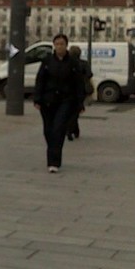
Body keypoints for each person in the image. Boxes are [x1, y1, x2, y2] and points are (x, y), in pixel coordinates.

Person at [33, 34, 86, 173]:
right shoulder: (47, 61)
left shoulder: (73, 63)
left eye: (62, 44)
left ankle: (54, 162)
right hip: (48, 101)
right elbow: (40, 80)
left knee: (58, 128)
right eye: (57, 44)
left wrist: (80, 103)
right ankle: (53, 151)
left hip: (66, 100)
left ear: (66, 45)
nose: (59, 47)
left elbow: (79, 84)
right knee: (48, 130)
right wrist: (37, 98)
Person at [67, 45, 93, 140]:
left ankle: (72, 129)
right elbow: (89, 74)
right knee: (76, 110)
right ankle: (73, 129)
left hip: (69, 89)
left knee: (70, 110)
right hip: (81, 90)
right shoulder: (84, 63)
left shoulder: (67, 63)